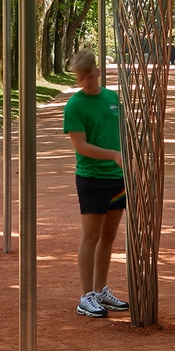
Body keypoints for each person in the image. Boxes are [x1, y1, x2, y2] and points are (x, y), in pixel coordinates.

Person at [63, 49, 128, 318]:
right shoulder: (74, 106)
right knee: (91, 236)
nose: (86, 83)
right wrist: (113, 155)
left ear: (98, 72)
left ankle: (101, 290)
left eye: (90, 76)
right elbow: (81, 146)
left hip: (118, 178)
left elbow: (123, 132)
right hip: (92, 177)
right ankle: (86, 295)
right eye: (81, 79)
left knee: (109, 237)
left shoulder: (113, 99)